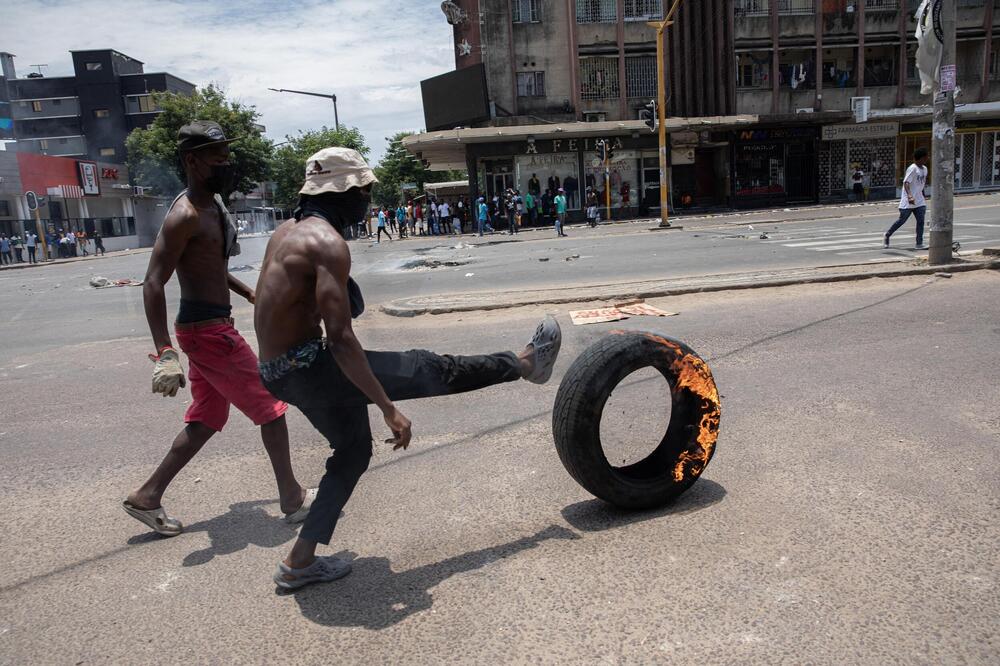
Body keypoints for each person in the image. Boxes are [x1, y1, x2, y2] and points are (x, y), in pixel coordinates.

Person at [253, 147, 564, 590]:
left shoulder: (287, 231)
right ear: (347, 193)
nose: (369, 201)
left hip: (278, 372)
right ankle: (525, 364)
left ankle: (299, 562)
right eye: (366, 191)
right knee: (427, 368)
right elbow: (341, 338)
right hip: (310, 367)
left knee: (353, 451)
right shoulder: (327, 244)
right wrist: (387, 407)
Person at [122, 120, 313, 537]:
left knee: (207, 419)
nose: (227, 164)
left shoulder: (213, 208)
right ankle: (293, 499)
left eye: (227, 155)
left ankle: (147, 496)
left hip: (212, 326)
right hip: (206, 332)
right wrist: (165, 353)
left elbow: (211, 267)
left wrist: (248, 294)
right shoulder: (184, 215)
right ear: (192, 160)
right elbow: (154, 282)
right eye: (218, 157)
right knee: (271, 407)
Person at [884, 147, 928, 250]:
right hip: (908, 200)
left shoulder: (925, 169)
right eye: (926, 157)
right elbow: (906, 182)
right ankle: (887, 235)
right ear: (921, 158)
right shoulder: (912, 168)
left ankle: (919, 243)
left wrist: (923, 195)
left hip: (919, 200)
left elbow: (921, 184)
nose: (927, 159)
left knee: (921, 221)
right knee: (902, 220)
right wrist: (909, 196)